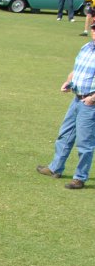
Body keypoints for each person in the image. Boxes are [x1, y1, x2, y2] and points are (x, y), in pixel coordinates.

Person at [37, 26, 95, 188]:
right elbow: (77, 69)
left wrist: (92, 98)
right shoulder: (86, 47)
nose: (94, 31)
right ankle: (55, 168)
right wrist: (69, 82)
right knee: (65, 134)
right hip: (77, 99)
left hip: (90, 103)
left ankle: (80, 178)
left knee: (85, 143)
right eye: (94, 28)